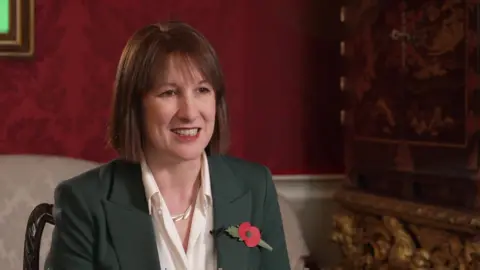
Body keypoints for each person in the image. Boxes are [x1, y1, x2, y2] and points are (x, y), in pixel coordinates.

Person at [45, 21, 290, 270]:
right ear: (135, 106)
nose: (190, 112)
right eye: (169, 93)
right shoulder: (85, 201)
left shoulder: (255, 187)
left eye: (202, 90)